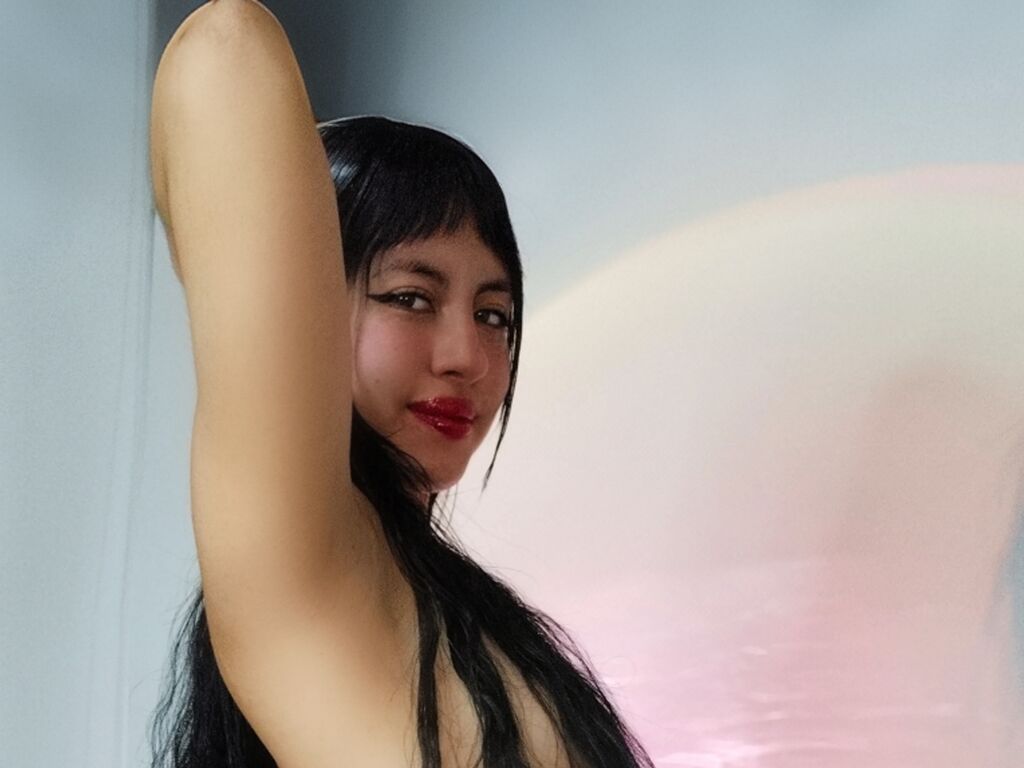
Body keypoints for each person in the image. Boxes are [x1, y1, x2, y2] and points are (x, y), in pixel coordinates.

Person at [147, 2, 653, 767]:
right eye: (411, 298)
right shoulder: (312, 566)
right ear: (311, 304)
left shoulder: (440, 600)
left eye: (494, 314)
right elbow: (223, 50)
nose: (467, 356)